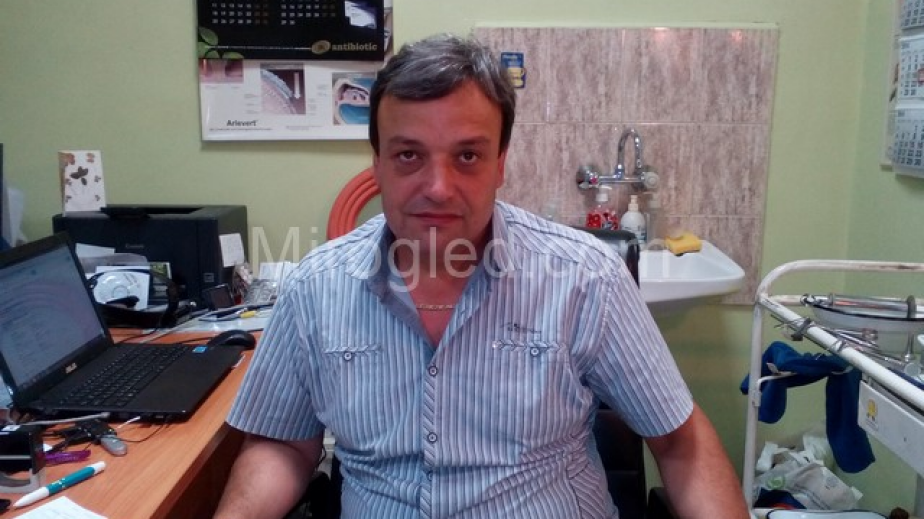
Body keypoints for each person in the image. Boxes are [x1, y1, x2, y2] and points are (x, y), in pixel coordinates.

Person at [213, 33, 750, 519]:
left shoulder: (586, 279)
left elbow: (679, 443)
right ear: (376, 163)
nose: (438, 187)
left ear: (500, 163)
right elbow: (283, 443)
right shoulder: (314, 289)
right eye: (408, 155)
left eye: (467, 155)